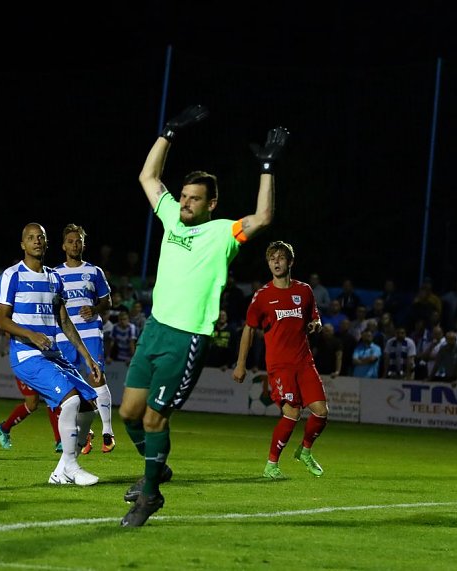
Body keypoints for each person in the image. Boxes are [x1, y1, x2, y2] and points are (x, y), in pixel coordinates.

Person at [118, 104, 286, 527]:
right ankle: (156, 468)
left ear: (211, 203)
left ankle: (150, 495)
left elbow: (263, 217)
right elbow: (148, 177)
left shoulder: (222, 232)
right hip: (155, 330)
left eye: (194, 199)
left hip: (187, 337)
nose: (185, 203)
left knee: (154, 418)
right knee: (129, 413)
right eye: (184, 196)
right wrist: (168, 132)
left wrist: (266, 167)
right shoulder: (171, 218)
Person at [0, 222, 102, 486]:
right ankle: (72, 468)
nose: (37, 241)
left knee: (89, 406)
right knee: (71, 401)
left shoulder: (54, 278)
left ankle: (61, 470)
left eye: (40, 237)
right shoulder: (12, 276)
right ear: (23, 244)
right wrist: (30, 335)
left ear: (46, 242)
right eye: (31, 237)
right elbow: (1, 320)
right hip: (27, 355)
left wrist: (87, 357)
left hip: (53, 354)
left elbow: (64, 321)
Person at [232, 241, 326, 481]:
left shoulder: (304, 291)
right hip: (280, 366)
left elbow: (315, 318)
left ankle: (305, 451)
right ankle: (271, 465)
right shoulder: (262, 296)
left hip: (305, 362)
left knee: (321, 412)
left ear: (290, 262)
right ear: (268, 263)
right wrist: (241, 364)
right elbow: (249, 329)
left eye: (281, 257)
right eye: (272, 258)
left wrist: (316, 325)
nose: (276, 261)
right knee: (292, 413)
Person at [53, 223, 116, 454]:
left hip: (89, 332)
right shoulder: (54, 274)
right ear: (63, 246)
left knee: (96, 376)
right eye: (70, 241)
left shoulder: (94, 271)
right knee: (69, 386)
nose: (74, 245)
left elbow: (107, 301)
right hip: (64, 335)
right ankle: (85, 431)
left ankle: (107, 431)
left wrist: (95, 308)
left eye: (78, 241)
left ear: (83, 244)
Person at [0, 376, 62, 452]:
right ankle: (4, 428)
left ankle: (60, 441)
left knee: (54, 399)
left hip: (46, 371)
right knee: (32, 404)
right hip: (27, 371)